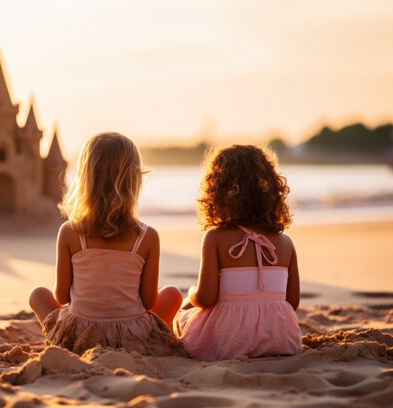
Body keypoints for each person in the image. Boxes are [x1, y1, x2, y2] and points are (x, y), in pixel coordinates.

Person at [29, 132, 184, 356]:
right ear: (136, 181)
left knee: (38, 295)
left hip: (80, 336)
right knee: (173, 294)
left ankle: (61, 342)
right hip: (131, 339)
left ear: (84, 180)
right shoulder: (147, 237)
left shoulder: (70, 232)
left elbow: (62, 297)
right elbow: (149, 302)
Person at [175, 144, 302, 361]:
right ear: (271, 190)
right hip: (282, 338)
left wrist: (191, 292)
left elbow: (206, 298)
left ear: (216, 191)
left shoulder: (215, 238)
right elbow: (292, 302)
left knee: (182, 316)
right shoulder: (286, 243)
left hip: (229, 340)